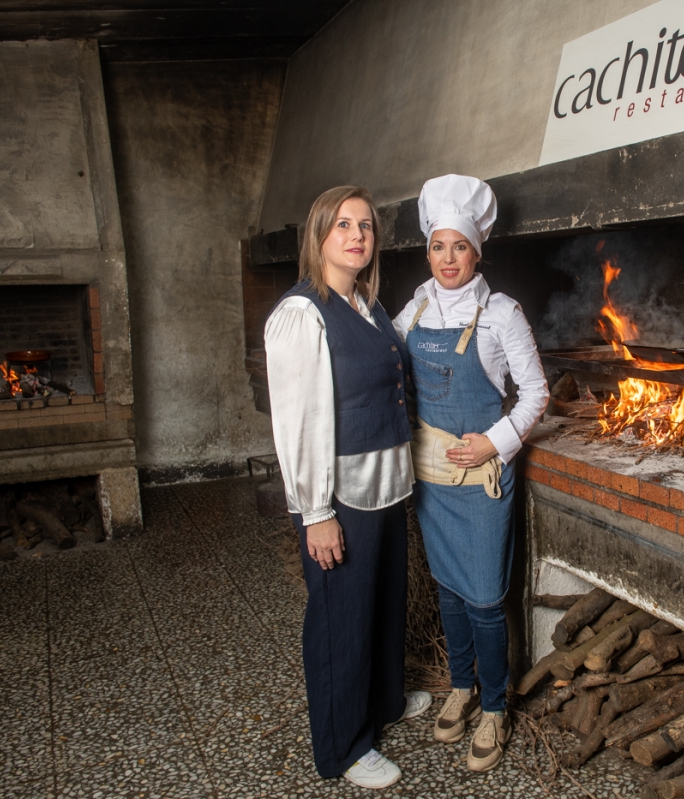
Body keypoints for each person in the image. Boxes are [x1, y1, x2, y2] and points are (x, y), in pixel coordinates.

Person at [265, 186, 432, 790]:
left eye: (365, 226)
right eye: (343, 225)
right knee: (341, 618)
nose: (357, 235)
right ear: (320, 236)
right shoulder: (301, 314)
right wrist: (315, 512)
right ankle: (345, 745)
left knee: (383, 603)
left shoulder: (367, 302)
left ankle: (384, 702)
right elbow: (300, 422)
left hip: (385, 486)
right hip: (340, 496)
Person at [393, 175, 549, 772]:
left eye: (459, 247)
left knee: (485, 599)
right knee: (448, 591)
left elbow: (535, 393)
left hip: (482, 483)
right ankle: (461, 686)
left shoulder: (502, 314)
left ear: (477, 252)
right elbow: (388, 357)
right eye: (438, 246)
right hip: (433, 478)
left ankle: (494, 706)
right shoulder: (417, 306)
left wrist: (495, 441)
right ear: (427, 249)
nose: (448, 258)